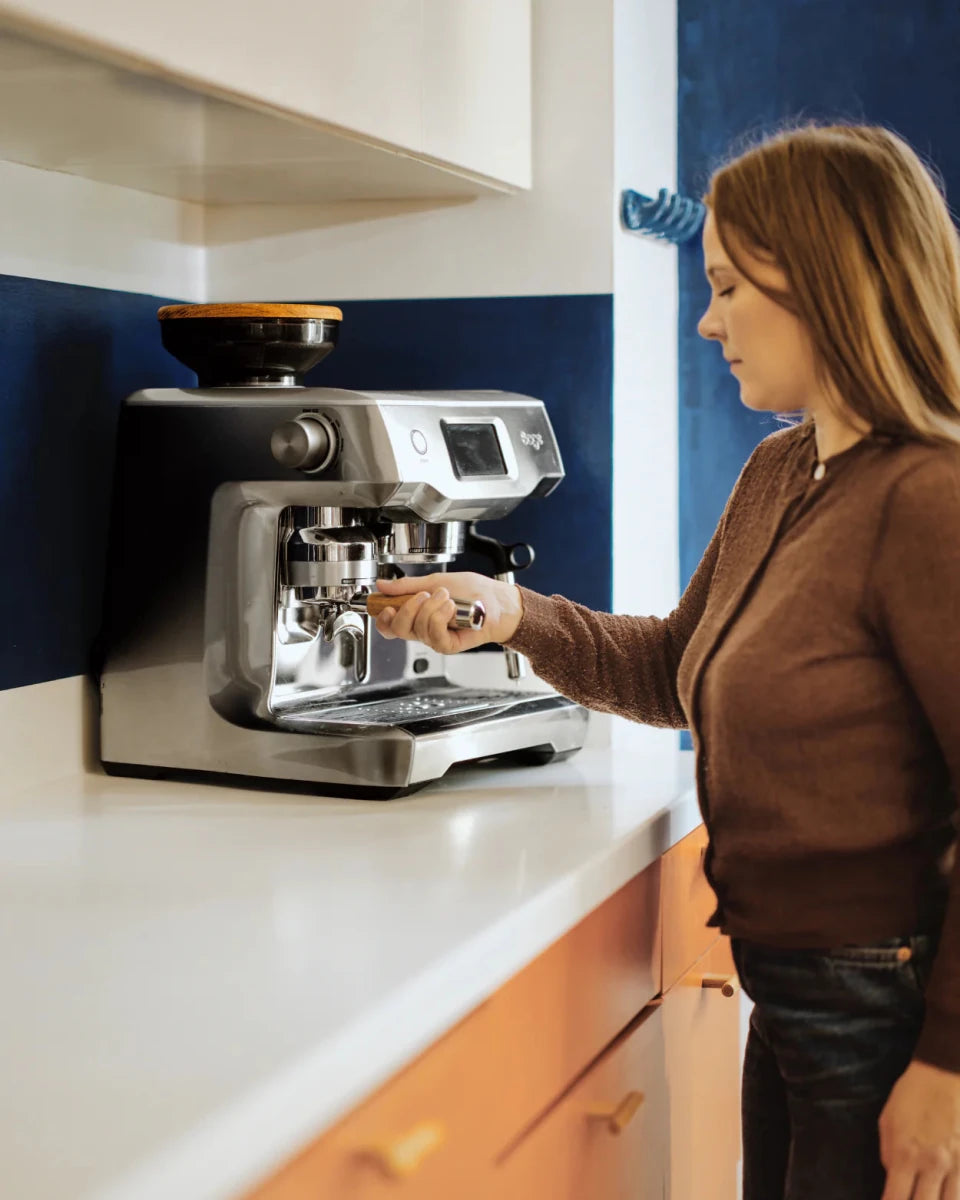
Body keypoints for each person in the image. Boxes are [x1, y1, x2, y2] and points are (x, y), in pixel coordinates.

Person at [373, 123, 960, 1200]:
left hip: (891, 1007)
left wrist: (949, 1067)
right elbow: (675, 670)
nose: (707, 319)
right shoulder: (783, 470)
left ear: (828, 283)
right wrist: (512, 614)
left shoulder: (929, 499)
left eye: (730, 286)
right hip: (797, 992)